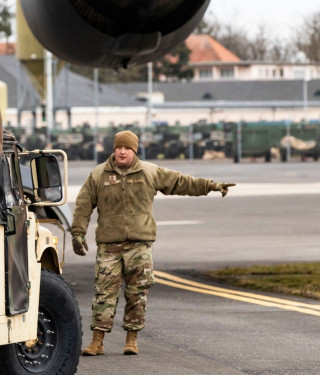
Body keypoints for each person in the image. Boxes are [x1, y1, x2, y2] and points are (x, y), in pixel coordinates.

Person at [71, 130, 234, 356]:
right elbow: (83, 205)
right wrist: (77, 233)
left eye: (127, 148)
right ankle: (97, 341)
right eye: (119, 147)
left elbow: (180, 182)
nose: (122, 151)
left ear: (134, 151)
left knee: (137, 293)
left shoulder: (149, 172)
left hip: (140, 245)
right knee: (103, 293)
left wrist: (211, 185)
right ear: (113, 149)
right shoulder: (99, 175)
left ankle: (131, 339)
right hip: (109, 245)